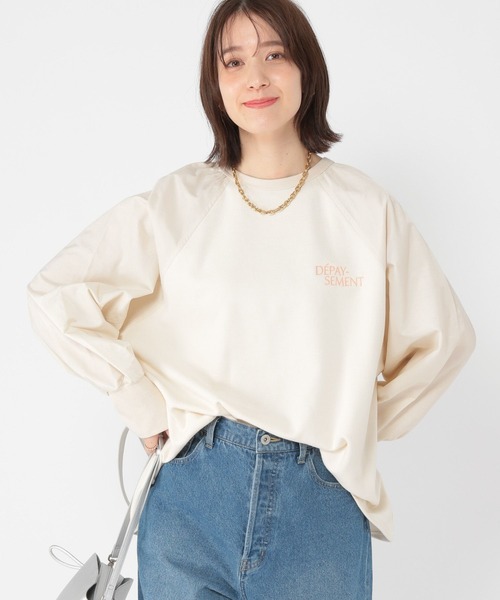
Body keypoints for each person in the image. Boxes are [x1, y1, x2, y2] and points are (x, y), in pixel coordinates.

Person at [27, 0, 476, 598]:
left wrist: (355, 422)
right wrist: (140, 402)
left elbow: (444, 340)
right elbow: (57, 293)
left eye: (275, 55)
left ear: (306, 68)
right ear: (215, 85)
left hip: (319, 502)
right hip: (192, 493)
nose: (256, 78)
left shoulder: (364, 209)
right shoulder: (181, 201)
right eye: (233, 62)